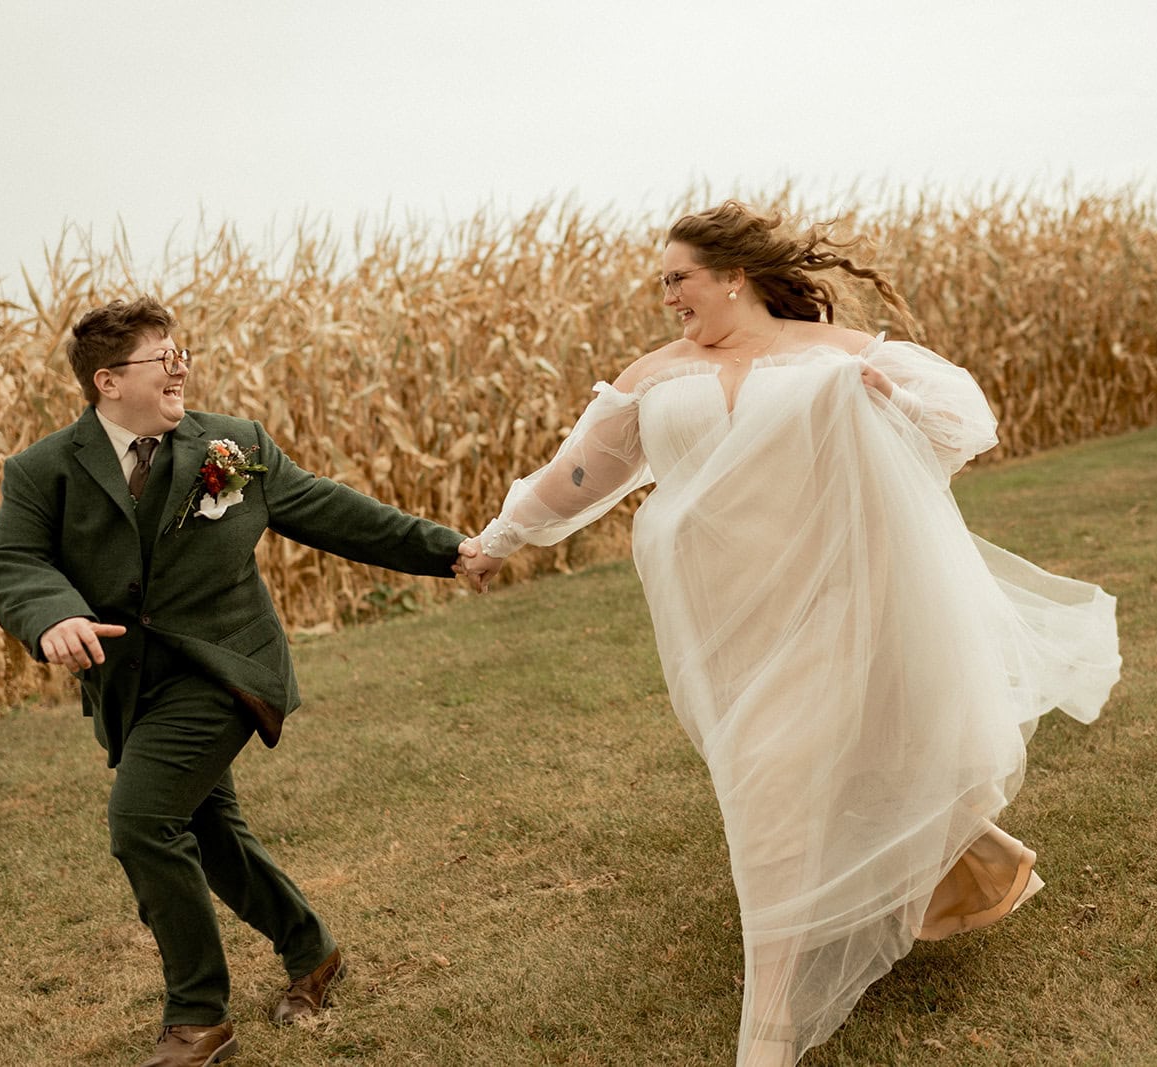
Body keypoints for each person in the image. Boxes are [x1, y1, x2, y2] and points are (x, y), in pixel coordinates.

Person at [456, 201, 1121, 1065]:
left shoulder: (837, 355)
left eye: (677, 279)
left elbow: (963, 417)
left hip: (841, 601)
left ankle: (768, 1028)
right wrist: (499, 539)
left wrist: (896, 397)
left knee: (773, 797)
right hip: (729, 623)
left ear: (734, 276)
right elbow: (580, 471)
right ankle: (976, 864)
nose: (666, 298)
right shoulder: (655, 376)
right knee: (805, 769)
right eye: (663, 283)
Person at [0, 296, 476, 1067]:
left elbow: (332, 511)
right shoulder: (44, 470)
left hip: (228, 668)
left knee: (141, 820)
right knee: (208, 834)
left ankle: (197, 1016)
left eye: (183, 354)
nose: (181, 369)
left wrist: (449, 550)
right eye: (160, 358)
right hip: (133, 689)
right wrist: (50, 618)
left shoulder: (232, 446)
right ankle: (313, 949)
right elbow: (12, 560)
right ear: (107, 381)